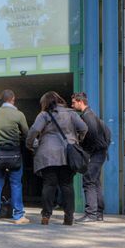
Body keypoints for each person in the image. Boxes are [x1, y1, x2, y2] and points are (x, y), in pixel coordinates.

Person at [27, 91, 87, 225]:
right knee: (67, 184)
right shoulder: (71, 113)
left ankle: (46, 216)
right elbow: (84, 128)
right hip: (68, 153)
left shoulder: (44, 114)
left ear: (45, 103)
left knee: (49, 184)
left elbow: (34, 130)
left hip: (48, 154)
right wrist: (76, 140)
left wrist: (30, 144)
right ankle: (69, 217)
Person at [0, 89, 30, 224]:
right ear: (13, 99)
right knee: (16, 184)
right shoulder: (19, 114)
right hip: (14, 153)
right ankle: (18, 216)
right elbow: (27, 133)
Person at [71, 92, 109, 222]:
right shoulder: (93, 115)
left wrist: (85, 150)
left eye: (73, 102)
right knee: (95, 181)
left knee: (88, 180)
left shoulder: (87, 117)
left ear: (80, 102)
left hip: (95, 153)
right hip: (100, 152)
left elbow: (91, 135)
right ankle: (98, 213)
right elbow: (107, 133)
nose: (72, 105)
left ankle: (91, 214)